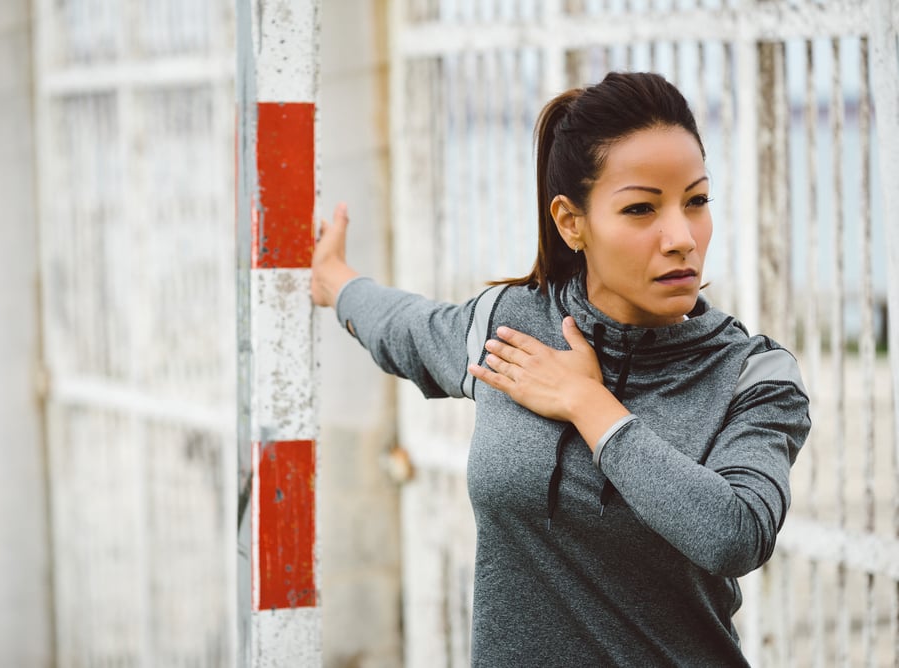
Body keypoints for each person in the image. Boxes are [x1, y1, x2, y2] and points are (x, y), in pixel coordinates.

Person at [311, 71, 810, 667]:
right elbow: (408, 327)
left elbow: (735, 534)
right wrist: (337, 282)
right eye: (641, 209)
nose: (681, 237)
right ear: (572, 222)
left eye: (696, 201)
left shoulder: (754, 376)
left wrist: (589, 404)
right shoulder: (512, 326)